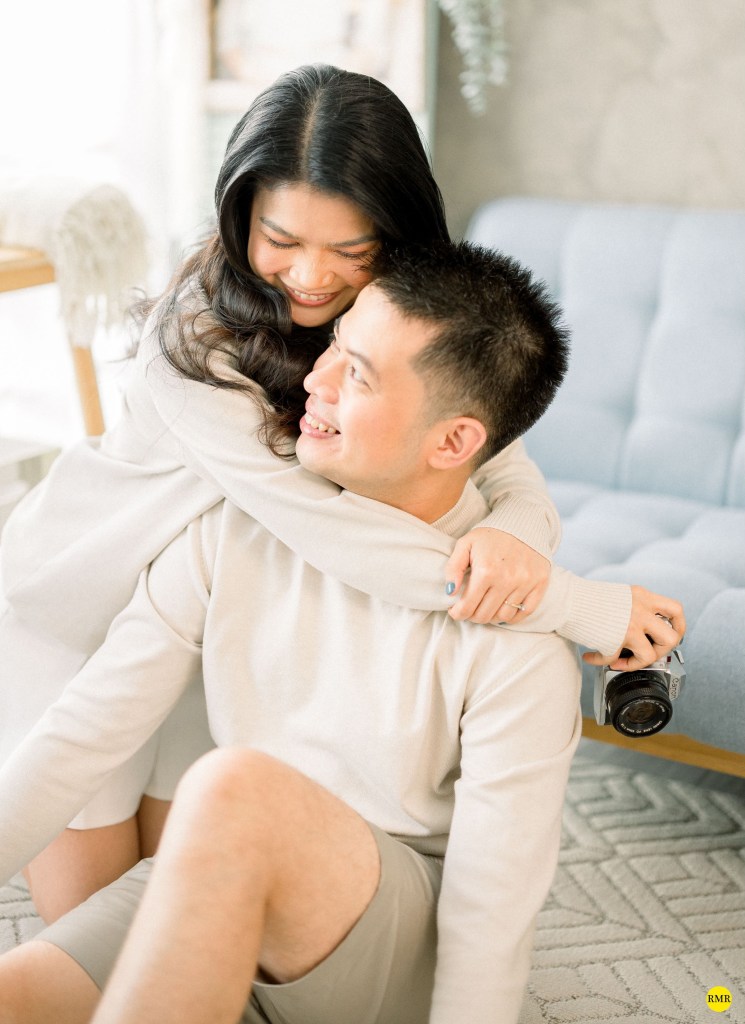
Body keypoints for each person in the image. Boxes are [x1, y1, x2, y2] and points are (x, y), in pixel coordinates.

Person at [0, 64, 683, 923]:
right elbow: (328, 529)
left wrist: (514, 537)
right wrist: (576, 605)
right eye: (280, 238)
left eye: (350, 249)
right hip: (86, 616)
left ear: (394, 234)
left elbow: (500, 458)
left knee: (189, 932)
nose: (310, 277)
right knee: (91, 933)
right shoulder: (194, 344)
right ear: (239, 213)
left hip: (204, 630)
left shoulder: (402, 313)